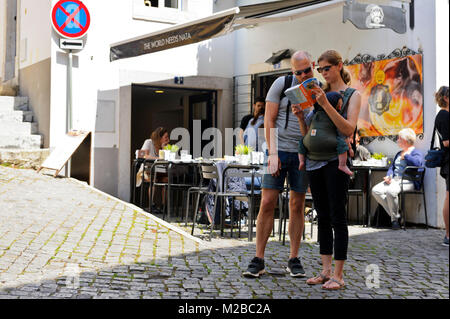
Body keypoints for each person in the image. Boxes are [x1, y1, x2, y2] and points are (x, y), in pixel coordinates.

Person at [294, 50, 361, 290]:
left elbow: (347, 129)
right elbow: (310, 134)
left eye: (326, 69)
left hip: (335, 160)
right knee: (321, 216)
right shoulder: (317, 92)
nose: (323, 73)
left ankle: (339, 275)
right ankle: (325, 271)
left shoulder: (352, 95)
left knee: (337, 217)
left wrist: (324, 103)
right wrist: (302, 117)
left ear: (338, 66)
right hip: (314, 160)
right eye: (320, 69)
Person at [243, 51, 312, 278]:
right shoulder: (281, 84)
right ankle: (259, 258)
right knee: (267, 201)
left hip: (302, 152)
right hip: (277, 150)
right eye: (298, 71)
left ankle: (293, 258)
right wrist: (272, 153)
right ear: (292, 70)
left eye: (307, 70)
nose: (303, 75)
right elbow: (269, 120)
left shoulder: (316, 88)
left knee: (297, 204)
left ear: (312, 68)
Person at [371, 128, 424, 230]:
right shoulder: (398, 153)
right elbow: (392, 168)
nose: (397, 140)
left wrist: (407, 156)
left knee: (391, 191)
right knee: (375, 190)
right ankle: (396, 215)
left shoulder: (415, 152)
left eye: (399, 138)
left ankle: (394, 221)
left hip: (408, 181)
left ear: (405, 140)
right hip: (394, 180)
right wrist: (389, 176)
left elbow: (418, 164)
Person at [298, 91, 353, 176]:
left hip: (310, 141)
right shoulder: (335, 116)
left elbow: (307, 122)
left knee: (301, 142)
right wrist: (349, 148)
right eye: (339, 104)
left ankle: (301, 161)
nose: (340, 106)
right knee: (341, 144)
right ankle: (342, 165)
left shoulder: (314, 113)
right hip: (329, 142)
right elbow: (342, 134)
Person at [136, 127, 170, 213]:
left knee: (166, 180)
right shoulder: (149, 142)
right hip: (146, 170)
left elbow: (167, 159)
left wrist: (164, 148)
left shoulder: (164, 146)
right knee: (153, 179)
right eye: (166, 137)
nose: (168, 139)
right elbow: (144, 155)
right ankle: (152, 204)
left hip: (159, 170)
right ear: (159, 137)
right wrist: (158, 158)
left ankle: (163, 206)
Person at [434, 86, 449, 246]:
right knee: (449, 197)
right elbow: (446, 142)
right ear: (446, 98)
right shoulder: (444, 115)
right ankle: (448, 235)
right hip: (448, 162)